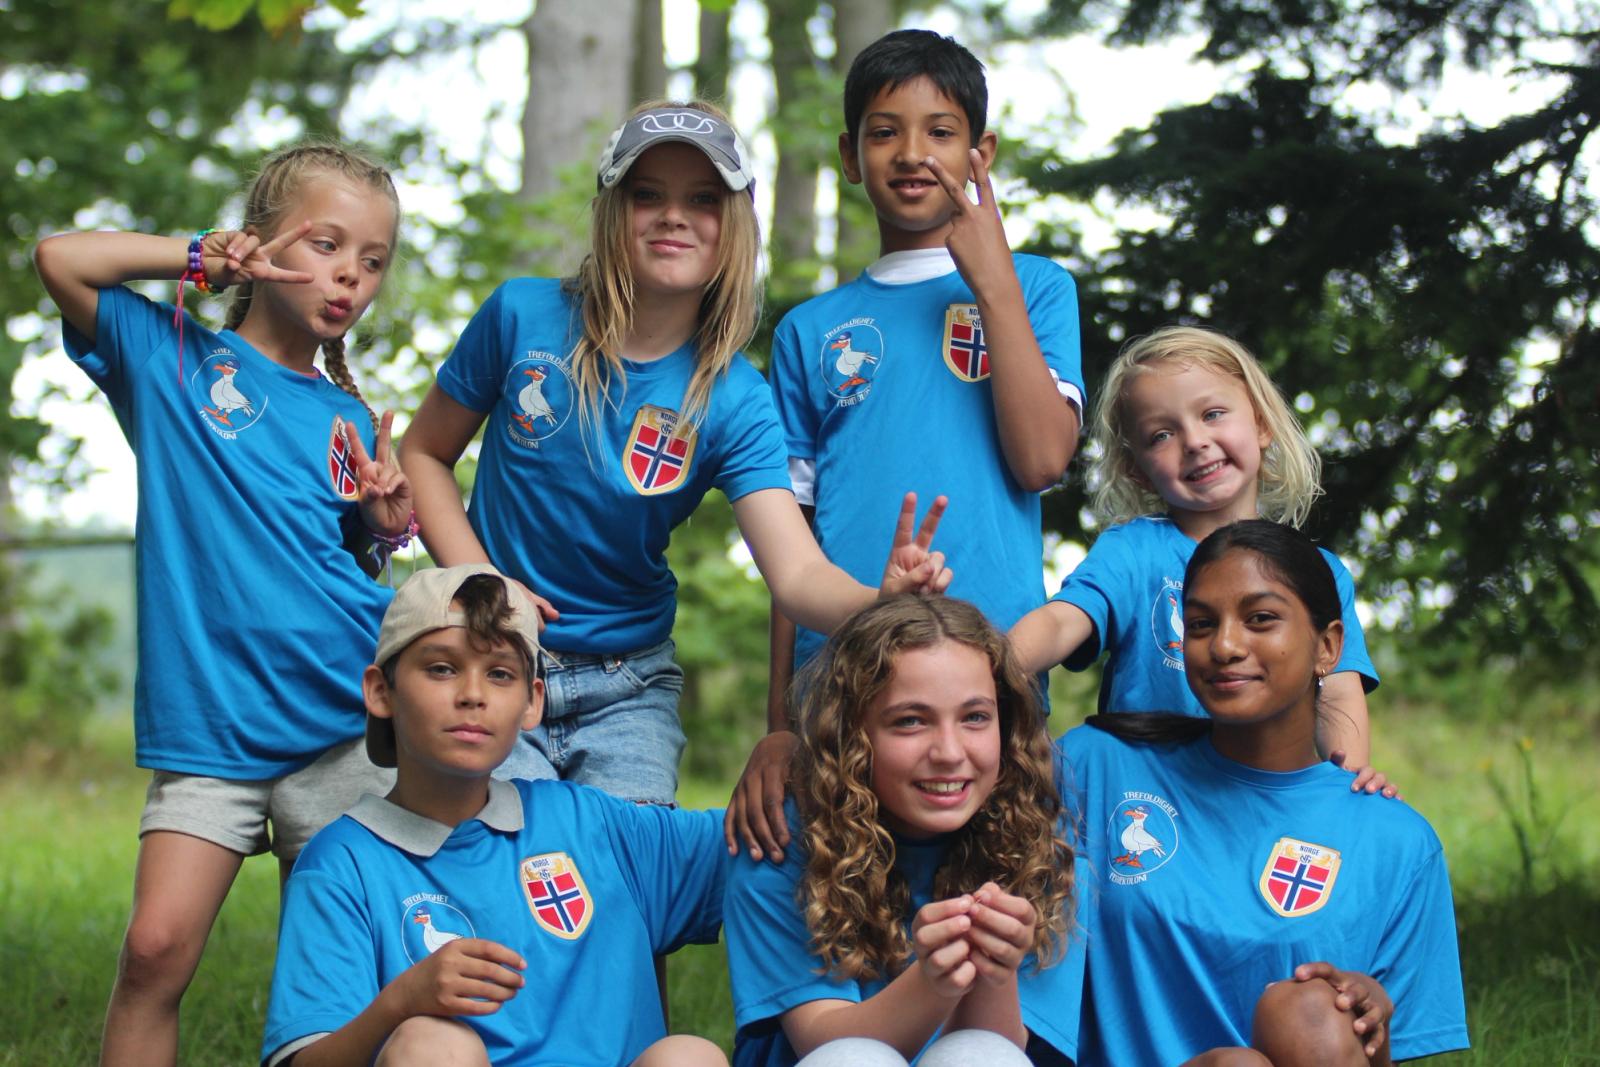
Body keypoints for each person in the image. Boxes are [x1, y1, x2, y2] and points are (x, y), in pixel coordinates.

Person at [402, 99, 949, 805]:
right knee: (509, 854)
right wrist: (484, 583)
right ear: (612, 208)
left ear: (735, 224)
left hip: (628, 686)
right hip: (493, 655)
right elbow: (423, 453)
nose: (672, 216)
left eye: (702, 199)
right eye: (647, 195)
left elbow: (796, 573)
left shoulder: (735, 398)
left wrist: (878, 601)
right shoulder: (520, 316)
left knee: (628, 861)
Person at [33, 142, 412, 1066]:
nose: (350, 277)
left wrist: (383, 525)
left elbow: (345, 559)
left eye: (372, 261)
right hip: (210, 726)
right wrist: (199, 257)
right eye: (326, 245)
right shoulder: (170, 358)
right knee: (153, 949)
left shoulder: (350, 419)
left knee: (341, 987)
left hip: (343, 726)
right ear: (261, 238)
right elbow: (61, 258)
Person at [731, 27, 1085, 863]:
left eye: (941, 130)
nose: (913, 152)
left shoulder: (1036, 287)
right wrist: (779, 722)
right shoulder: (809, 331)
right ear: (850, 157)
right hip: (842, 679)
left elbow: (1042, 459)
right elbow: (793, 545)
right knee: (847, 895)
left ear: (980, 153)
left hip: (992, 673)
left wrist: (992, 281)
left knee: (995, 899)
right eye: (885, 131)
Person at [262, 564, 729, 1067]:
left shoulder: (590, 822)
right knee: (433, 1046)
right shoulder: (341, 864)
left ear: (532, 702)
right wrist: (400, 1001)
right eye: (441, 669)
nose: (473, 694)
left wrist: (779, 752)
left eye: (500, 674)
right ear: (381, 691)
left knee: (690, 1056)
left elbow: (771, 838)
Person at [1058, 520, 1468, 1066]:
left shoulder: (1396, 841)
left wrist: (1370, 1021)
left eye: (1260, 619)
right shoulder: (1095, 767)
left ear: (1329, 646)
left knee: (1316, 1013)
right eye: (1201, 624)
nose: (1224, 646)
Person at [723, 596, 1081, 1067]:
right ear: (851, 734)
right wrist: (932, 980)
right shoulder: (782, 837)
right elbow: (824, 1046)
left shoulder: (1041, 848)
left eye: (975, 717)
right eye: (910, 721)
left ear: (1006, 723)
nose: (949, 752)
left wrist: (995, 971)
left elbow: (996, 1052)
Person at [1010, 325, 1383, 775]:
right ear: (1137, 471)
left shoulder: (1318, 569)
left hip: (1258, 790)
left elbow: (1337, 690)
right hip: (1146, 788)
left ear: (1261, 424)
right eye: (1161, 435)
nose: (1194, 441)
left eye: (1213, 414)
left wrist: (1348, 786)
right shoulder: (1133, 552)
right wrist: (989, 665)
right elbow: (1060, 622)